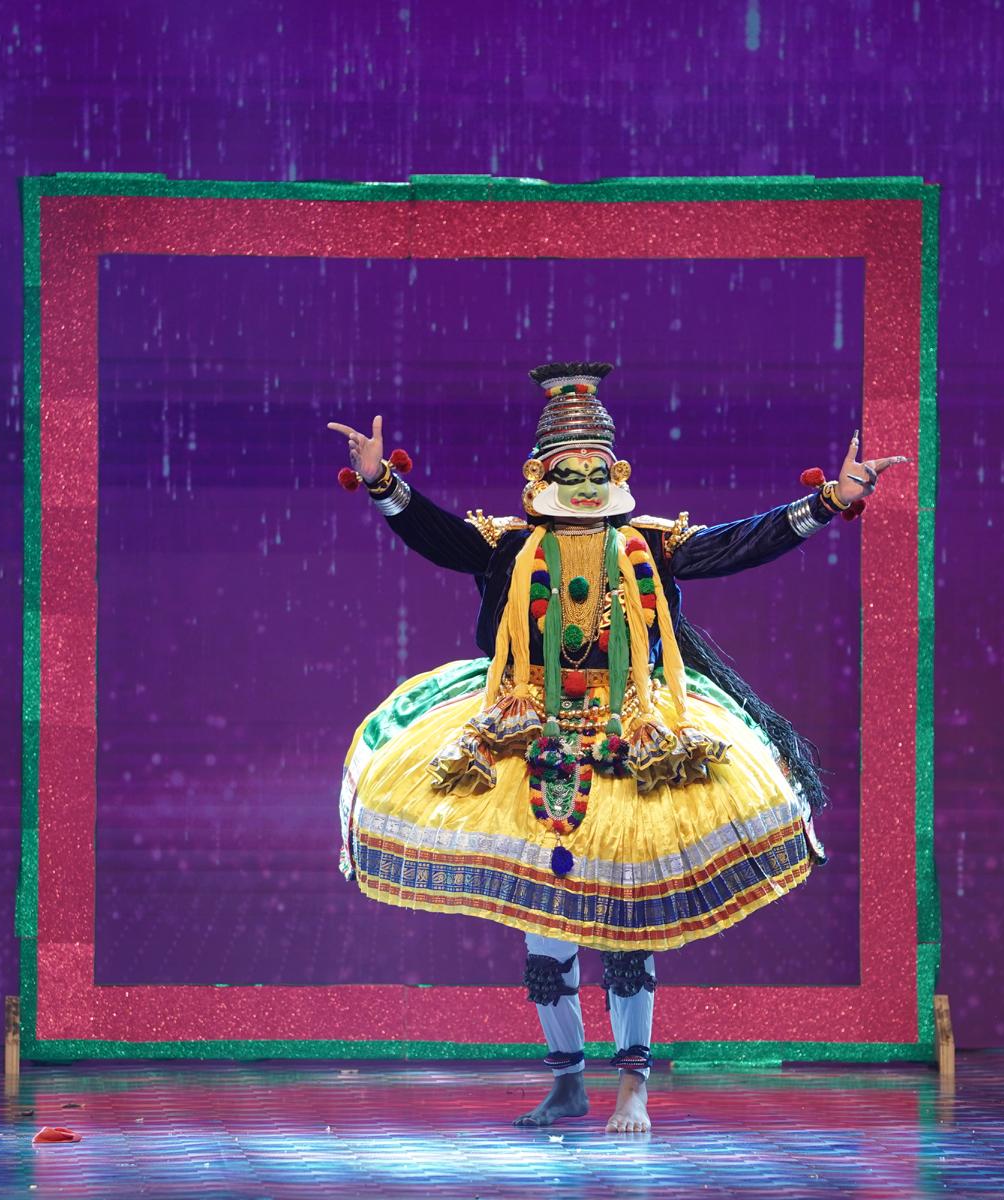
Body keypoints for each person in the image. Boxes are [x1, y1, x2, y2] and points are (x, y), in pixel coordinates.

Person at [329, 362, 907, 1131]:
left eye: (596, 471)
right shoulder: (511, 547)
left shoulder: (649, 546)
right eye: (567, 472)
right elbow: (438, 536)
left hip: (633, 731)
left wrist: (831, 500)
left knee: (627, 920)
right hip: (530, 727)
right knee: (546, 916)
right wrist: (382, 483)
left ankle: (633, 1083)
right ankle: (568, 1080)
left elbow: (739, 544)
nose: (583, 484)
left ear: (618, 473)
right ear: (540, 475)